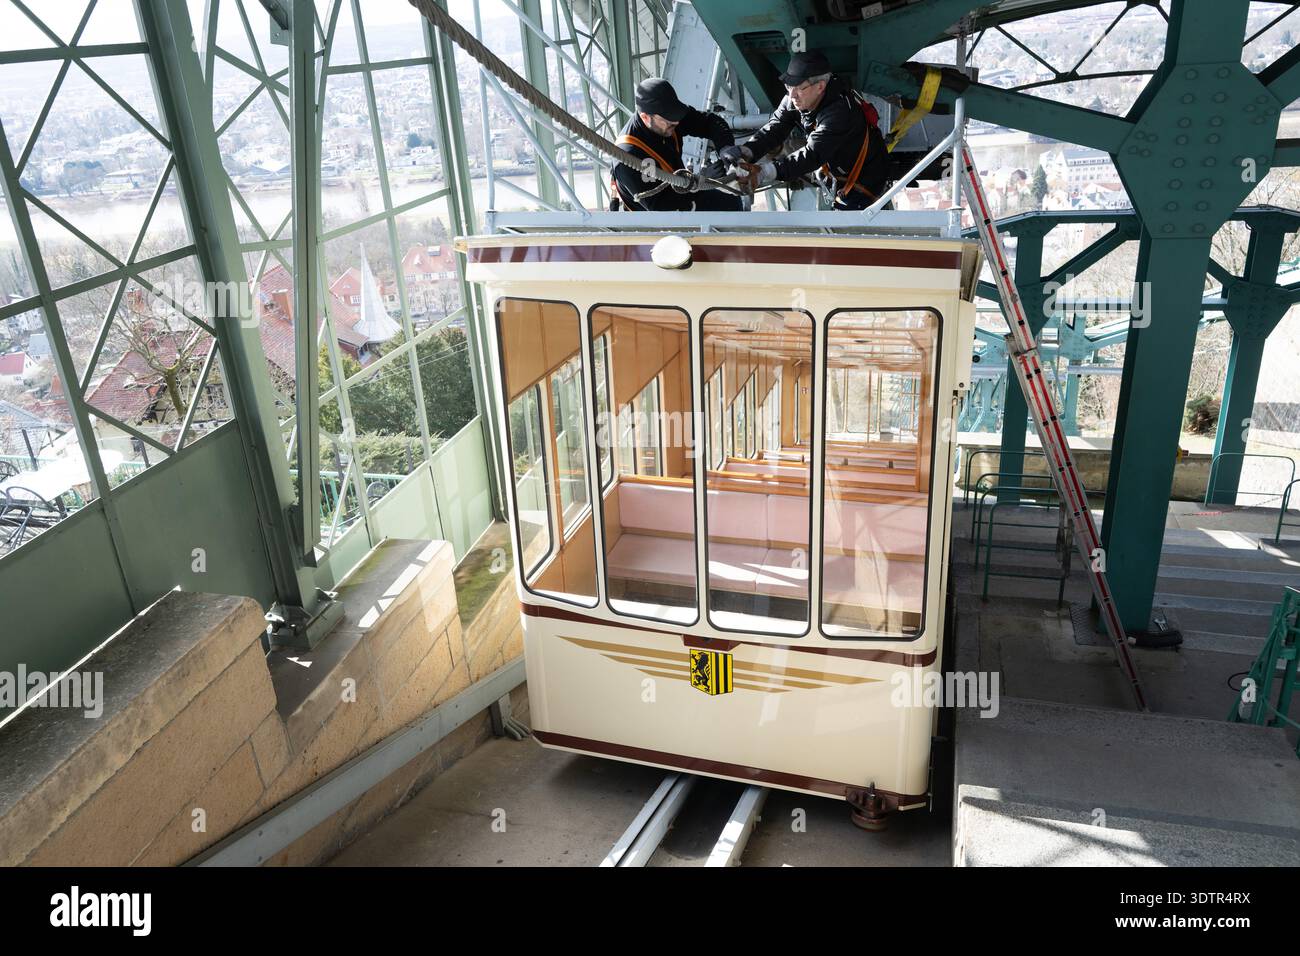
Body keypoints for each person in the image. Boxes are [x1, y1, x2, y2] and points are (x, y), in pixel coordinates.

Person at [720, 51, 888, 210]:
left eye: (799, 88)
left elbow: (812, 154)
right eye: (788, 86)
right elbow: (776, 126)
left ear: (820, 86)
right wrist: (747, 151)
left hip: (865, 183)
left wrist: (765, 172)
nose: (792, 96)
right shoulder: (796, 99)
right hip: (837, 177)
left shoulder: (839, 112)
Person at [610, 77, 743, 212]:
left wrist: (725, 147)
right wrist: (701, 182)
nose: (676, 124)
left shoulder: (669, 118)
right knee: (727, 205)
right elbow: (660, 207)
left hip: (684, 193)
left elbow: (711, 123)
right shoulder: (629, 155)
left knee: (732, 200)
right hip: (656, 219)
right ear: (645, 117)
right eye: (669, 122)